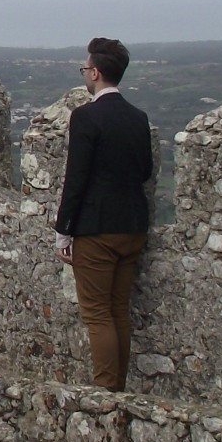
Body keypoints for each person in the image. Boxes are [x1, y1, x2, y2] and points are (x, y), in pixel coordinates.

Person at [53, 37, 154, 391]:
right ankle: (118, 388)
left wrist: (63, 231)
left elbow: (76, 178)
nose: (85, 74)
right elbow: (144, 171)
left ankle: (106, 393)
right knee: (118, 310)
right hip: (133, 226)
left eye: (85, 69)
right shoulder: (138, 117)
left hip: (97, 230)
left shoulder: (86, 116)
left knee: (97, 314)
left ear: (94, 72)